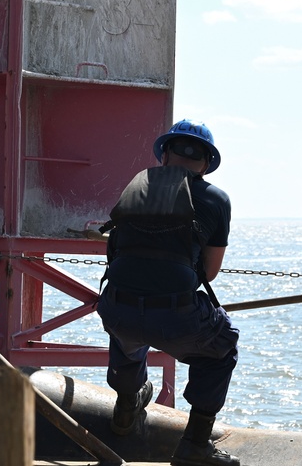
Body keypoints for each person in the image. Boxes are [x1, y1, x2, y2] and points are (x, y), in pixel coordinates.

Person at [97, 119, 239, 466]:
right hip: (177, 317)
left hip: (116, 308)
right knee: (223, 346)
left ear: (165, 157)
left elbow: (115, 252)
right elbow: (209, 272)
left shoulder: (135, 188)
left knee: (128, 328)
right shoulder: (215, 199)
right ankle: (195, 445)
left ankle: (126, 408)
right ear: (206, 164)